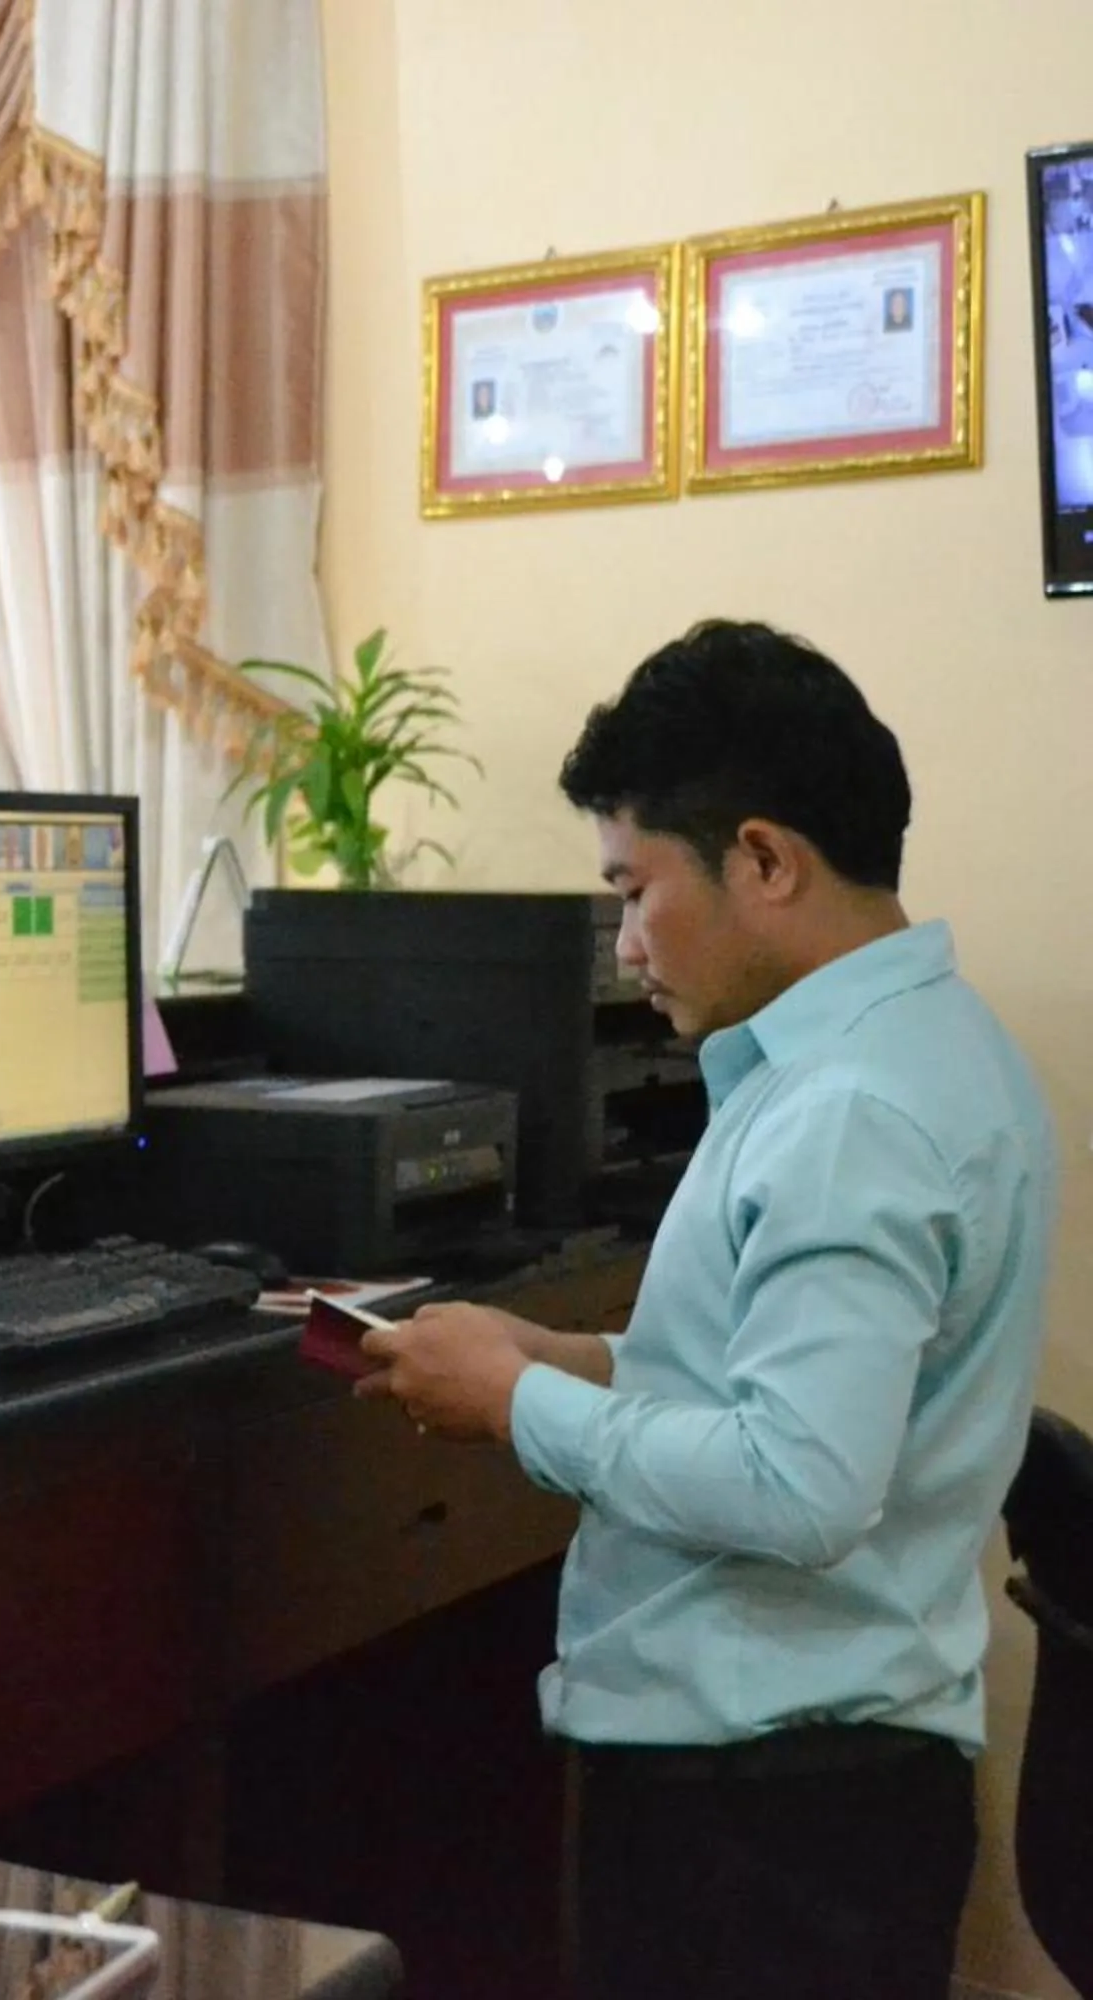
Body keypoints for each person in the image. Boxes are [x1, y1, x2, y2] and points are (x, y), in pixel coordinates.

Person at [356, 620, 1054, 2000]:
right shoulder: (910, 1048)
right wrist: (578, 1356)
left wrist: (515, 1404)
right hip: (814, 1778)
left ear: (765, 860)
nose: (624, 945)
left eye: (634, 890)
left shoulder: (853, 1111)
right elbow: (782, 1375)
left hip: (770, 1808)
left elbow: (798, 1482)